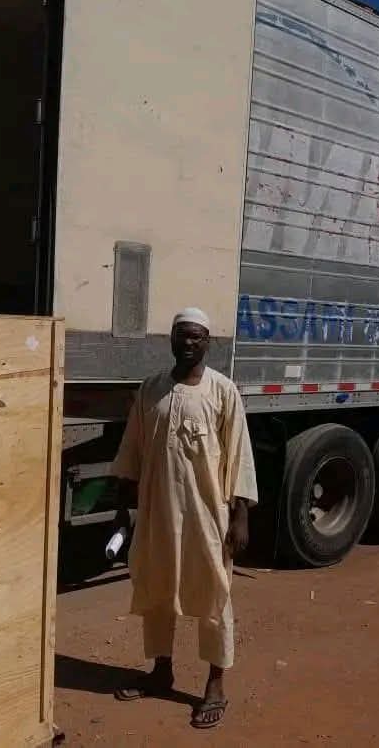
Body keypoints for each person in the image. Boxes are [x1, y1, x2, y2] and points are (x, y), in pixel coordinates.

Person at [110, 307, 257, 729]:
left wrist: (240, 517)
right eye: (182, 335)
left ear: (207, 342)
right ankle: (161, 671)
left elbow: (239, 457)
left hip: (207, 516)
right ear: (171, 340)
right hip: (158, 514)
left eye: (196, 336)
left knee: (214, 594)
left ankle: (215, 685)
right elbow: (132, 451)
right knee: (157, 589)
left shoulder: (223, 391)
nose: (188, 342)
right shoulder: (151, 389)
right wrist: (122, 510)